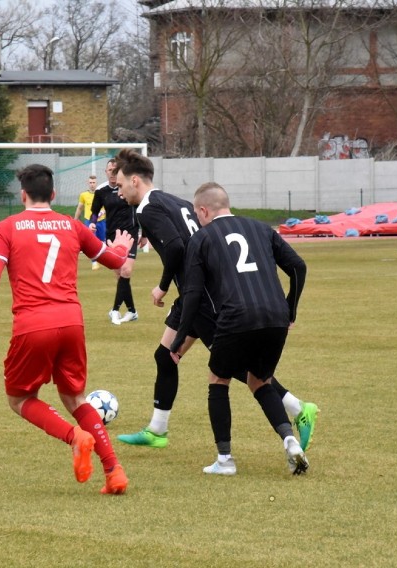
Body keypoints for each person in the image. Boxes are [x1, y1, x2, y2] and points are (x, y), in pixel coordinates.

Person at [114, 151, 317, 473]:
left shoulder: (148, 209)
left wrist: (163, 285)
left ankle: (293, 409)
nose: (118, 190)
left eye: (120, 183)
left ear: (135, 180)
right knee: (166, 354)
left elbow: (180, 248)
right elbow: (296, 266)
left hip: (207, 296)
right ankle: (157, 429)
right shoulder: (174, 200)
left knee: (232, 372)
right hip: (222, 295)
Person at [0, 164, 132, 495]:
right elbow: (116, 263)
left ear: (23, 195)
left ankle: (75, 437)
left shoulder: (8, 227)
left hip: (34, 323)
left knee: (19, 399)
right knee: (75, 396)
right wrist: (120, 249)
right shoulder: (71, 225)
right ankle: (114, 470)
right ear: (54, 195)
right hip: (72, 321)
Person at [169, 182, 309, 475]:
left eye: (197, 214)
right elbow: (298, 266)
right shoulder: (262, 228)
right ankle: (290, 441)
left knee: (218, 379)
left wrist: (179, 338)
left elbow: (192, 294)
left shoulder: (202, 238)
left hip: (236, 317)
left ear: (204, 210)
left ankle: (225, 461)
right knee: (261, 380)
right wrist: (290, 308)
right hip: (275, 317)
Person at [90, 159, 140, 324]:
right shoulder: (101, 191)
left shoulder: (127, 188)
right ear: (105, 172)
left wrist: (144, 233)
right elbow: (95, 212)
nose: (112, 172)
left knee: (126, 271)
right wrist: (92, 222)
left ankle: (115, 310)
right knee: (120, 276)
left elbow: (139, 209)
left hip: (130, 234)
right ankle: (132, 311)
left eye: (115, 170)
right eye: (109, 170)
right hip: (112, 237)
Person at [74, 174, 105, 270]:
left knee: (102, 241)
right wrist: (75, 220)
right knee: (92, 242)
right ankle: (94, 262)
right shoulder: (84, 195)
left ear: (96, 183)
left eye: (94, 182)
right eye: (90, 182)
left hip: (102, 220)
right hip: (89, 221)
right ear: (88, 183)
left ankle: (102, 260)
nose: (92, 184)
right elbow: (80, 208)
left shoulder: (101, 194)